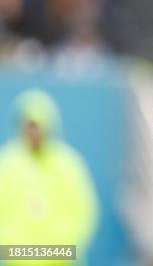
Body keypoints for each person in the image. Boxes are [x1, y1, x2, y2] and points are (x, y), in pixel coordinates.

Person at [0, 89, 99, 266]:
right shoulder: (6, 163)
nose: (34, 133)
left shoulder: (68, 164)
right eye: (29, 126)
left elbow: (85, 212)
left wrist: (63, 247)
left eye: (38, 126)